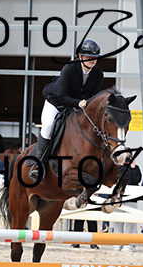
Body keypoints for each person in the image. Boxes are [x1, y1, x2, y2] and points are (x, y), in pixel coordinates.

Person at [29, 39, 104, 180]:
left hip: (76, 105)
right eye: (89, 56)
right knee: (48, 126)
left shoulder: (98, 74)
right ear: (80, 57)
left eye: (95, 57)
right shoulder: (69, 68)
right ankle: (38, 164)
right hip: (56, 102)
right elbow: (62, 96)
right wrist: (78, 102)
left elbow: (93, 97)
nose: (93, 59)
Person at [112, 151, 142, 251]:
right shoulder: (117, 168)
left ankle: (129, 244)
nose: (127, 158)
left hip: (131, 197)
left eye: (129, 156)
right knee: (118, 221)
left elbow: (136, 180)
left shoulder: (136, 168)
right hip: (119, 197)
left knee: (131, 222)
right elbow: (117, 179)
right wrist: (121, 164)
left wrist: (132, 166)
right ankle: (117, 243)